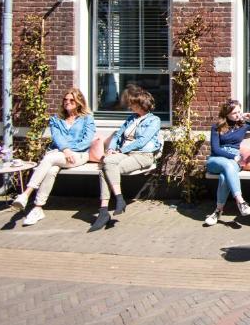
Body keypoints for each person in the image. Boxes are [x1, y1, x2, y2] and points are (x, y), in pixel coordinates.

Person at [11, 88, 96, 226]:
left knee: (49, 158)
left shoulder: (87, 118)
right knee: (51, 170)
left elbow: (87, 141)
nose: (67, 102)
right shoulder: (56, 119)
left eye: (71, 100)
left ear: (79, 102)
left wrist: (68, 151)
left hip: (79, 155)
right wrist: (65, 150)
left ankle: (26, 194)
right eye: (65, 100)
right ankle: (38, 208)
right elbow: (57, 138)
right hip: (61, 154)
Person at [90, 84, 161, 232]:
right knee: (107, 163)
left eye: (133, 104)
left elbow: (142, 141)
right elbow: (117, 135)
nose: (130, 107)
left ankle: (104, 212)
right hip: (125, 153)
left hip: (143, 155)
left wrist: (121, 150)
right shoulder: (131, 118)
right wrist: (110, 149)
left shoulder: (154, 120)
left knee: (105, 169)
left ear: (141, 104)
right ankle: (117, 201)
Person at [204, 99, 250, 226]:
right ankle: (241, 202)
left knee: (224, 177)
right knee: (228, 166)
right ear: (226, 113)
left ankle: (217, 211)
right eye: (234, 113)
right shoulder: (216, 127)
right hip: (216, 159)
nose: (238, 115)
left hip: (234, 160)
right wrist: (233, 157)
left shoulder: (244, 125)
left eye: (239, 112)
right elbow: (215, 149)